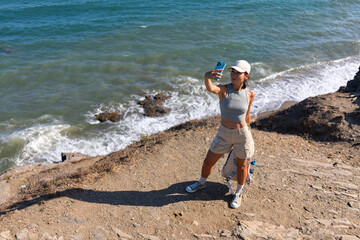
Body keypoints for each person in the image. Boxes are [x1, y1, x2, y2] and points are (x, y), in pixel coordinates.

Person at [185, 60, 255, 209]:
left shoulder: (249, 94)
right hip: (224, 133)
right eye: (232, 72)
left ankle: (238, 193)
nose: (234, 75)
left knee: (242, 166)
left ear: (246, 76)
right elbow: (211, 88)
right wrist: (206, 76)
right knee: (208, 161)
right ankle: (201, 183)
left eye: (238, 73)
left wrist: (249, 133)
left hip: (242, 134)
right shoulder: (224, 90)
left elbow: (247, 116)